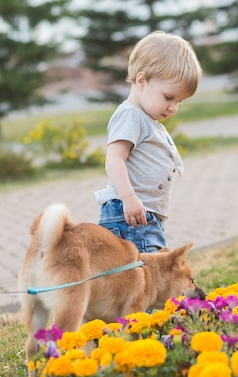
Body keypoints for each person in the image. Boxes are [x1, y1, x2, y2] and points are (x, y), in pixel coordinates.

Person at [95, 30, 203, 253]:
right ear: (142, 80)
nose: (173, 107)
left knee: (150, 274)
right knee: (148, 275)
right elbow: (115, 158)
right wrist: (129, 197)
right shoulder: (130, 115)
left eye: (179, 102)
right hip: (129, 214)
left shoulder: (145, 118)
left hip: (142, 213)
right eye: (169, 97)